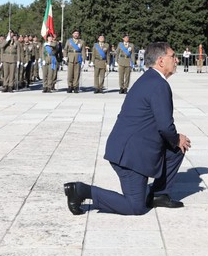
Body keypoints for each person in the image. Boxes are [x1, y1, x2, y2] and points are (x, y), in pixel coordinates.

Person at [64, 42, 191, 215]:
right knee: (135, 207)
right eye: (173, 56)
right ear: (161, 61)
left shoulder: (150, 79)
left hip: (134, 147)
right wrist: (177, 138)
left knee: (176, 149)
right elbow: (165, 126)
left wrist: (176, 141)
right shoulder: (159, 85)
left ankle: (159, 195)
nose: (176, 60)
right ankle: (82, 191)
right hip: (130, 156)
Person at [64, 28, 84, 93]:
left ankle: (76, 86)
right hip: (70, 58)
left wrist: (83, 60)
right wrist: (65, 57)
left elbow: (83, 51)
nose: (76, 35)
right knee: (70, 74)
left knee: (77, 73)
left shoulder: (81, 42)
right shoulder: (69, 41)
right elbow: (65, 49)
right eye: (75, 33)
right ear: (72, 34)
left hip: (78, 58)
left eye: (77, 33)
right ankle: (70, 86)